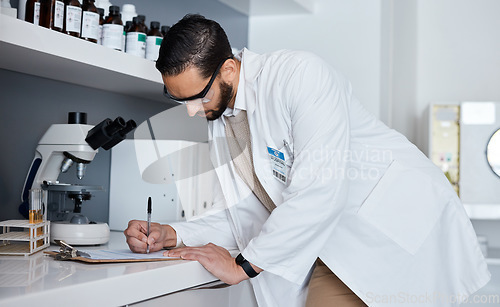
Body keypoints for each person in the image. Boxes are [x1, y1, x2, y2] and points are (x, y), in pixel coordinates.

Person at [124, 14, 490, 307]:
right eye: (180, 100)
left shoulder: (299, 77)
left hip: (393, 225)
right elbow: (246, 211)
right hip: (333, 242)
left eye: (197, 97)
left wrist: (243, 266)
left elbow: (320, 191)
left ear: (230, 71)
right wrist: (175, 233)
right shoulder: (224, 116)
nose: (191, 111)